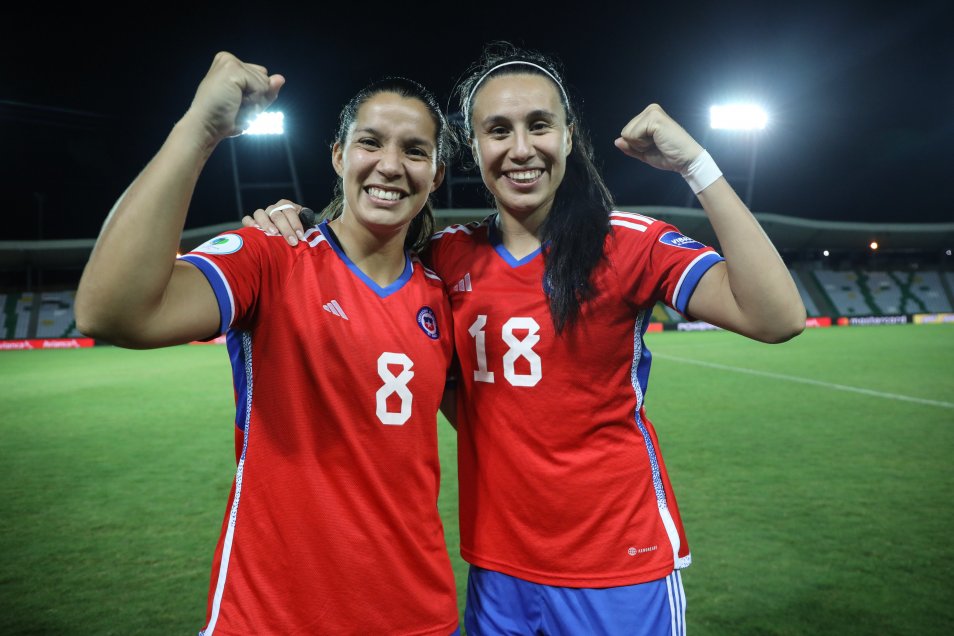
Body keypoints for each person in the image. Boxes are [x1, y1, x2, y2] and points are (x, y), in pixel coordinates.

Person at [248, 41, 806, 635]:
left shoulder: (629, 244)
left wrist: (697, 165)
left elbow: (776, 317)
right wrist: (296, 220)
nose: (521, 149)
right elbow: (367, 258)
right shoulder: (447, 257)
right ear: (473, 149)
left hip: (618, 567)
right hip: (498, 569)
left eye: (539, 126)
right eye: (498, 130)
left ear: (568, 136)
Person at [74, 51, 462, 635]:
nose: (389, 164)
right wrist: (201, 129)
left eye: (414, 150)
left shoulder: (444, 297)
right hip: (272, 618)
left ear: (435, 174)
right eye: (370, 142)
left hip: (419, 617)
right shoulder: (272, 257)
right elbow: (111, 310)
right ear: (338, 155)